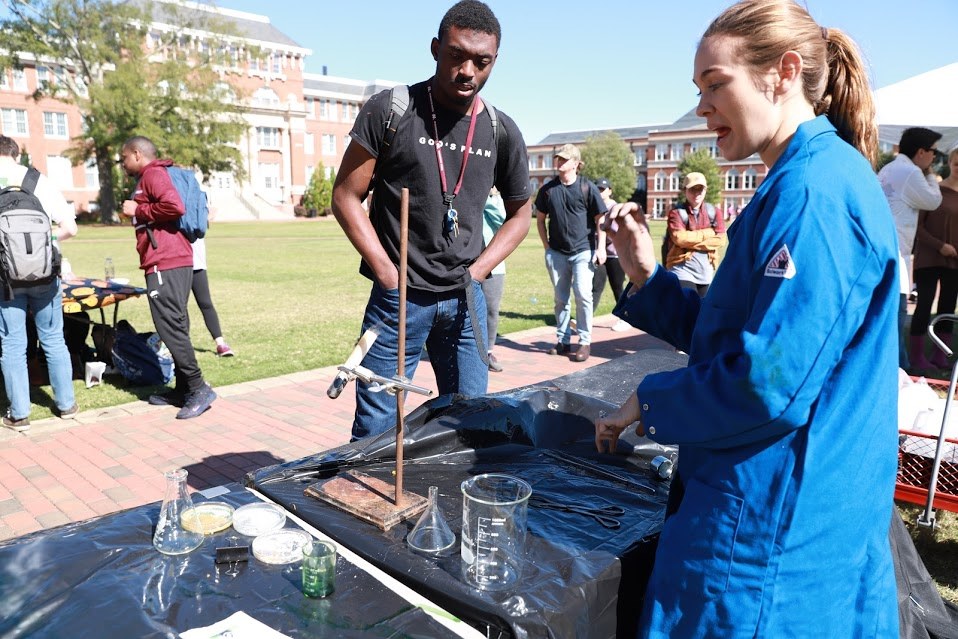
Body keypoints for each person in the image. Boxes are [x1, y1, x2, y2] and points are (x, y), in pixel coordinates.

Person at [595, 1, 899, 635]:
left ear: (782, 73)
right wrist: (649, 278)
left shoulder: (816, 194)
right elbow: (739, 332)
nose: (702, 107)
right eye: (698, 89)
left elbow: (771, 380)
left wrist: (648, 401)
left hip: (774, 540)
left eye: (715, 84)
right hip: (767, 511)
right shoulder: (795, 182)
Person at [331, 0, 531, 440]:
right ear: (436, 48)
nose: (468, 71)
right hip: (398, 299)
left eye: (482, 62)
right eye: (457, 55)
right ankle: (368, 499)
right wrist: (386, 272)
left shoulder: (500, 129)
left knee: (470, 420)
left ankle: (454, 503)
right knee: (376, 426)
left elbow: (521, 215)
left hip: (465, 299)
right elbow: (345, 196)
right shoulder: (392, 109)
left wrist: (478, 271)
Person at [119, 136, 216, 419]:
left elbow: (174, 207)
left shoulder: (153, 175)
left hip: (167, 260)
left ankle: (199, 387)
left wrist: (137, 210)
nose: (123, 163)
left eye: (124, 158)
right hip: (171, 259)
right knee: (176, 323)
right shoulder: (153, 176)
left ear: (137, 154)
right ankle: (183, 388)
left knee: (168, 325)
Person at [0, 136, 78, 430]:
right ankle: (66, 404)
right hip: (46, 273)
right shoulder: (37, 180)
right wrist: (47, 241)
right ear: (16, 155)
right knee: (53, 338)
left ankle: (19, 414)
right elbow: (70, 227)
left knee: (12, 344)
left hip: (5, 278)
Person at [878, 126, 943, 371]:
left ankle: (898, 369)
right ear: (921, 152)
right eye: (934, 153)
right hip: (895, 257)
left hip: (884, 253)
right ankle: (900, 373)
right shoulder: (911, 172)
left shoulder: (889, 168)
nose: (935, 158)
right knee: (895, 319)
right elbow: (933, 201)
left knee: (886, 321)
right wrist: (930, 175)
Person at [535, 144, 607, 362]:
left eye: (565, 159)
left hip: (583, 250)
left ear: (576, 163)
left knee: (583, 294)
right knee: (560, 298)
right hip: (557, 253)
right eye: (558, 159)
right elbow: (540, 220)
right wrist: (547, 247)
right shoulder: (548, 190)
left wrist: (601, 247)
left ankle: (584, 341)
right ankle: (563, 341)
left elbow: (600, 219)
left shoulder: (587, 187)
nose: (560, 163)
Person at [911, 146, 958, 372]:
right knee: (924, 305)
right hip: (928, 260)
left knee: (947, 309)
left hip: (954, 264)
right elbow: (918, 229)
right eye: (957, 163)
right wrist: (941, 246)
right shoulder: (934, 192)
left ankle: (941, 355)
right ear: (950, 163)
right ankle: (917, 357)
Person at [663, 171, 726, 297]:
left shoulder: (714, 212)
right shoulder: (676, 213)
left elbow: (721, 240)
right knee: (688, 307)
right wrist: (709, 233)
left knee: (701, 312)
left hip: (706, 271)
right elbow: (680, 239)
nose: (697, 193)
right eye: (692, 189)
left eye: (700, 189)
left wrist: (690, 239)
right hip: (681, 268)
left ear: (705, 190)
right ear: (685, 191)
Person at [189, 192, 234, 357]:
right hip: (179, 264)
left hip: (198, 264)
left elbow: (211, 212)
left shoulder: (199, 207)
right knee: (179, 307)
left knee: (205, 303)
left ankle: (220, 343)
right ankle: (181, 348)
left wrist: (207, 211)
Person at [591, 177, 629, 331]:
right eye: (598, 189)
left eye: (603, 189)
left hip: (614, 254)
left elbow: (615, 231)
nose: (600, 192)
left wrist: (600, 238)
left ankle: (625, 318)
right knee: (596, 287)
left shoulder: (615, 208)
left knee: (617, 287)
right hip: (599, 253)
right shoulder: (593, 207)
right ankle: (586, 318)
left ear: (610, 191)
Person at [481, 188, 506, 372]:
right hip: (464, 262)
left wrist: (488, 197)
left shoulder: (497, 199)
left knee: (491, 309)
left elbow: (502, 220)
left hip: (493, 263)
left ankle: (488, 352)